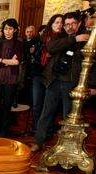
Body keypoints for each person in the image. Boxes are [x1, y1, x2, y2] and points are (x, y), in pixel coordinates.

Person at [31, 11, 93, 152]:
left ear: (79, 24)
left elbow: (92, 63)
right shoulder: (61, 37)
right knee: (46, 113)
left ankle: (68, 147)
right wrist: (74, 39)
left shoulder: (87, 38)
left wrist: (92, 84)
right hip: (54, 81)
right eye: (67, 25)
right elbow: (51, 47)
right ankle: (38, 141)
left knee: (68, 116)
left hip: (72, 83)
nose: (69, 27)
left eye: (73, 24)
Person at [0, 18, 23, 137]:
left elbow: (17, 62)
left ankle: (4, 130)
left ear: (14, 30)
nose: (8, 31)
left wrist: (2, 60)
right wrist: (9, 61)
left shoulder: (19, 44)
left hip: (11, 77)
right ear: (3, 30)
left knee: (7, 105)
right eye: (5, 29)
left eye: (10, 29)